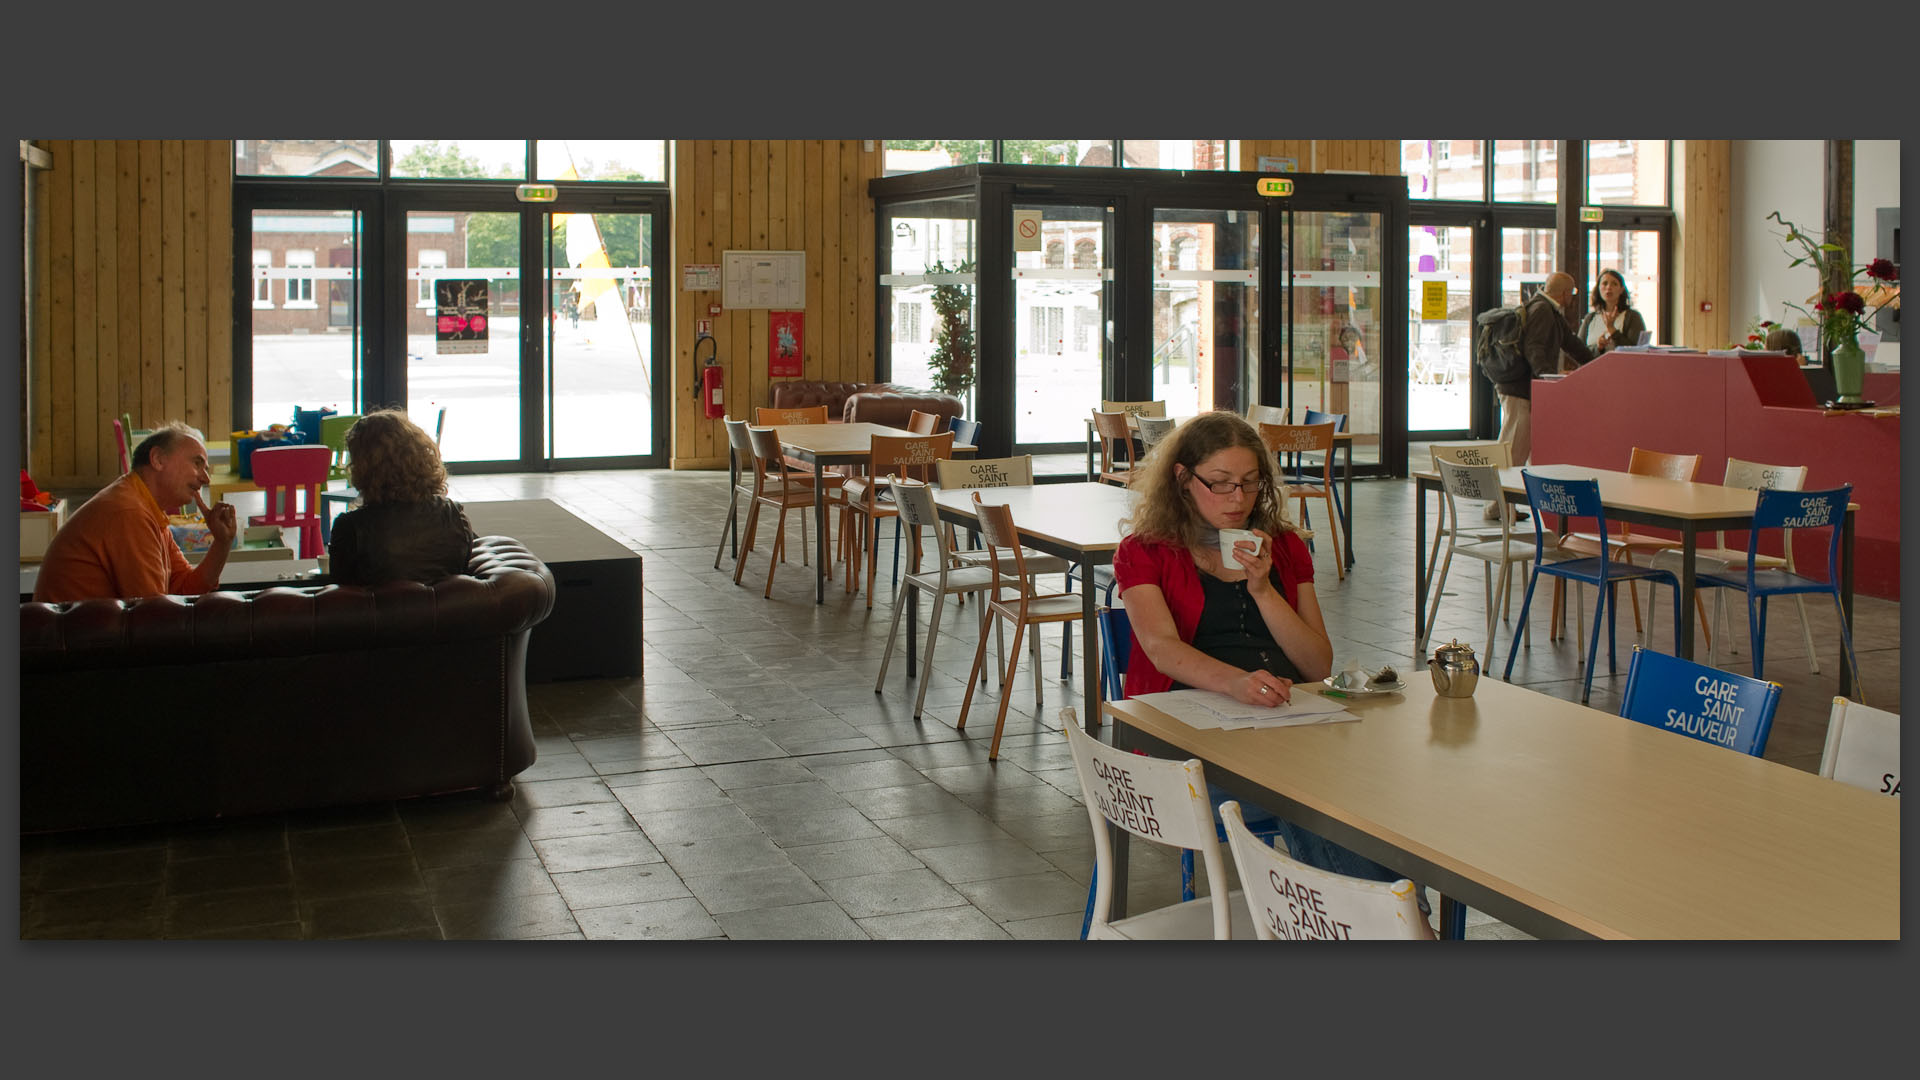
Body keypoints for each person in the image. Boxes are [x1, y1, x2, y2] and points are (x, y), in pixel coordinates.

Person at [1111, 412, 1410, 887]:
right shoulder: (1145, 550)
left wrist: (1264, 590)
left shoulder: (1286, 546)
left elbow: (1317, 663)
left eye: (1251, 484)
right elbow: (1161, 648)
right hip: (1187, 740)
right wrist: (1236, 682)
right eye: (1222, 483)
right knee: (1311, 798)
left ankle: (1385, 924)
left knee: (1366, 794)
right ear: (1183, 478)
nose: (1237, 499)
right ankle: (1395, 927)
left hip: (1287, 725)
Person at [32, 422, 238, 603]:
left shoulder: (145, 506)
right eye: (197, 463)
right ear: (157, 459)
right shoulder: (129, 511)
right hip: (70, 643)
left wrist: (221, 543)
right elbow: (152, 616)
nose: (206, 479)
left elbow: (184, 589)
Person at [1487, 271, 1597, 518]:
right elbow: (1534, 348)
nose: (1572, 298)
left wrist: (1599, 363)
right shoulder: (1543, 311)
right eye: (1573, 293)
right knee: (1513, 449)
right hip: (1520, 389)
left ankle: (1504, 506)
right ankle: (1497, 506)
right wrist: (1547, 379)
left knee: (1518, 448)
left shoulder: (1546, 310)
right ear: (1565, 293)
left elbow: (1571, 344)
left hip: (1521, 388)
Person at [326, 409, 476, 586]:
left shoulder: (350, 528)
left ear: (363, 467)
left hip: (380, 613)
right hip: (448, 613)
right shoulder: (453, 515)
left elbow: (342, 592)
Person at [1577, 269, 1647, 358]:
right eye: (1604, 283)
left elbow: (1637, 351)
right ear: (1598, 288)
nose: (1609, 287)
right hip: (1594, 370)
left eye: (1614, 284)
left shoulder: (1633, 317)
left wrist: (1612, 330)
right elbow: (1579, 352)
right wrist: (1598, 347)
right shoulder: (1590, 318)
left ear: (1621, 289)